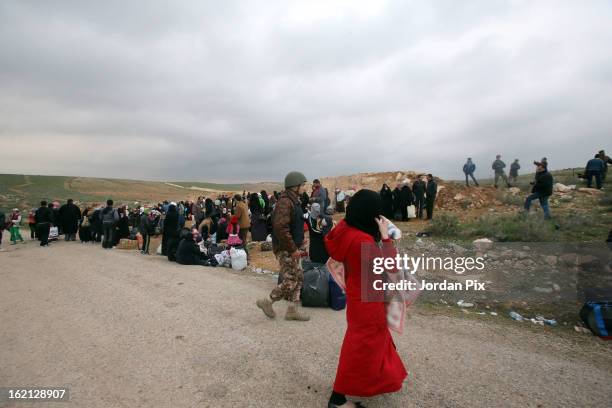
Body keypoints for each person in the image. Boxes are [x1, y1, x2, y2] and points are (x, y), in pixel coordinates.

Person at [324, 189, 407, 407]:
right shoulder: (363, 241)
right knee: (359, 350)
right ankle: (338, 398)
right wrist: (386, 238)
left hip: (358, 299)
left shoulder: (347, 231)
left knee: (370, 347)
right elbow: (393, 271)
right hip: (369, 305)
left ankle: (369, 386)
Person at [256, 171, 310, 321]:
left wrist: (300, 242)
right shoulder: (285, 202)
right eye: (303, 185)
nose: (305, 188)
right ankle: (268, 301)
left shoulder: (294, 201)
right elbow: (280, 228)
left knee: (299, 278)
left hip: (293, 246)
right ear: (295, 186)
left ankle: (292, 310)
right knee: (291, 279)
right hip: (286, 248)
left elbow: (294, 224)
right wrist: (293, 248)